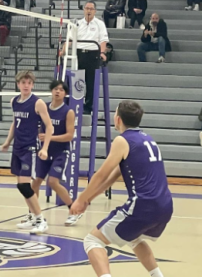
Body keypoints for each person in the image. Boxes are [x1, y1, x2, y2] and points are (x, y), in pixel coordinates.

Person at [70, 100, 173, 277]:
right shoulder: (147, 139)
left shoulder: (122, 140)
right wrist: (89, 199)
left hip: (143, 205)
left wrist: (80, 199)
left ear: (117, 119)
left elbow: (102, 174)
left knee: (92, 241)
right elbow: (114, 176)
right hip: (165, 205)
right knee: (134, 237)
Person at [1, 71, 53, 234]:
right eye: (23, 82)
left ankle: (40, 219)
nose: (26, 85)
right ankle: (32, 217)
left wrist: (44, 148)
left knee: (24, 185)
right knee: (21, 185)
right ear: (18, 84)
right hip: (18, 146)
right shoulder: (14, 101)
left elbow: (49, 126)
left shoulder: (38, 103)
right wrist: (8, 142)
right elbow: (14, 123)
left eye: (29, 83)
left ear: (32, 85)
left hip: (30, 147)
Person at [32, 80, 80, 226]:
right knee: (35, 182)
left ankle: (74, 210)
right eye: (55, 89)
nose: (58, 91)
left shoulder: (68, 111)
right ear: (51, 91)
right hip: (44, 151)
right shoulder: (43, 107)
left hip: (60, 151)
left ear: (65, 93)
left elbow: (69, 135)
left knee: (53, 182)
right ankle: (34, 215)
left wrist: (49, 137)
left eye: (61, 89)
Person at [66, 2, 108, 115]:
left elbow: (103, 40)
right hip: (79, 55)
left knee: (91, 82)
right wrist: (63, 50)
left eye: (91, 9)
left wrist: (102, 53)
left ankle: (88, 107)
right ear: (84, 10)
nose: (89, 11)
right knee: (76, 81)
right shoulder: (77, 24)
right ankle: (75, 105)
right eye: (87, 8)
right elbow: (69, 39)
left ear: (95, 11)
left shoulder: (100, 24)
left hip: (93, 54)